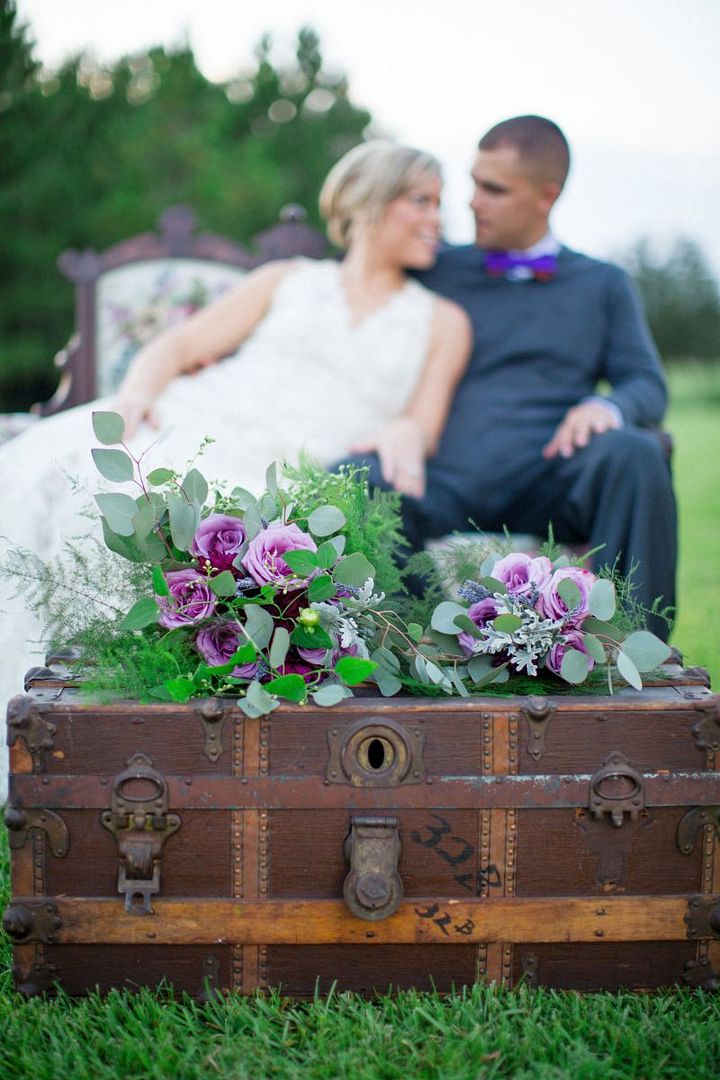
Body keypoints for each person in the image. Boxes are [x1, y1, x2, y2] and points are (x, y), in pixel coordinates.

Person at [0, 141, 471, 790]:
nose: (437, 219)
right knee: (61, 478)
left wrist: (404, 430)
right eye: (421, 200)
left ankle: (108, 753)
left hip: (282, 465)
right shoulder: (288, 280)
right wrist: (137, 396)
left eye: (439, 204)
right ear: (368, 204)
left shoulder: (443, 319)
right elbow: (181, 344)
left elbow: (424, 423)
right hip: (193, 421)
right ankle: (36, 732)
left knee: (179, 526)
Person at [340, 115, 676, 641]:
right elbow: (359, 285)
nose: (473, 201)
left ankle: (639, 653)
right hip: (441, 478)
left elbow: (647, 384)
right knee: (357, 476)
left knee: (635, 453)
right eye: (473, 183)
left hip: (550, 478)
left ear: (546, 195)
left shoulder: (603, 285)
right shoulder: (437, 266)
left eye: (493, 189)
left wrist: (604, 407)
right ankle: (405, 656)